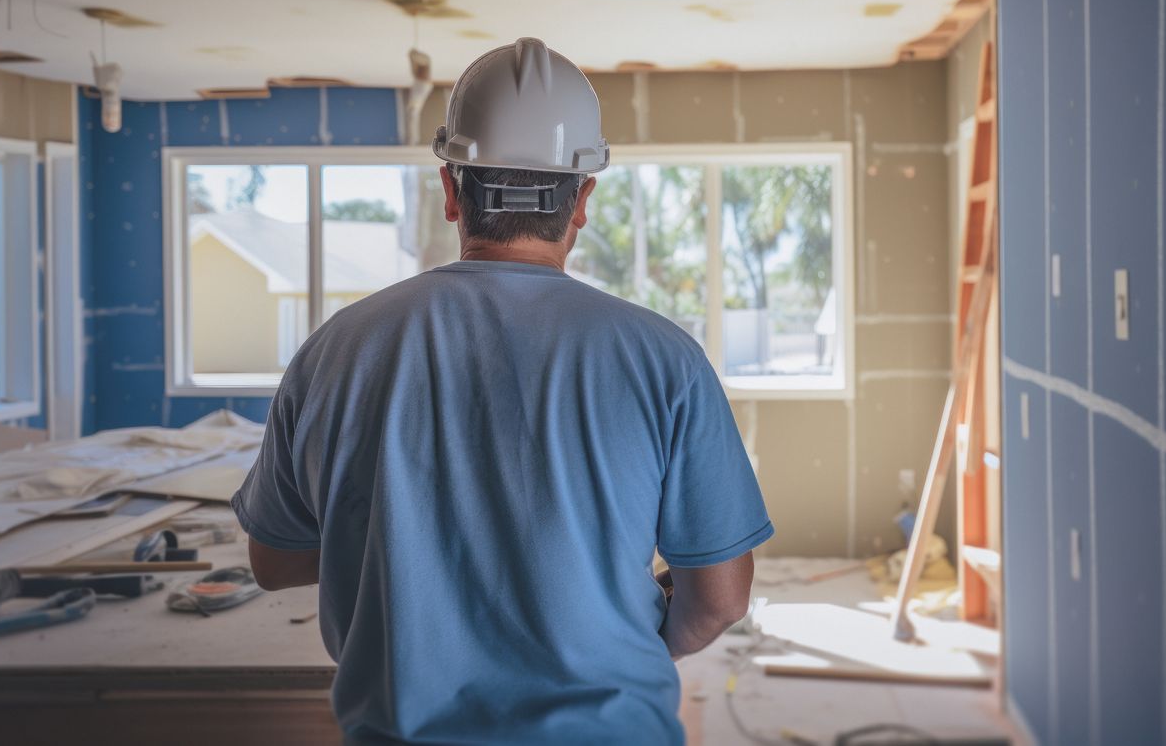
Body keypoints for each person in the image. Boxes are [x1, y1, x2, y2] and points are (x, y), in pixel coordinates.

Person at [231, 37, 773, 744]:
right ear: (581, 201)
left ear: (452, 191)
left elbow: (273, 560)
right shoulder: (663, 359)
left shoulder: (335, 351)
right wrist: (617, 637)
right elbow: (719, 599)